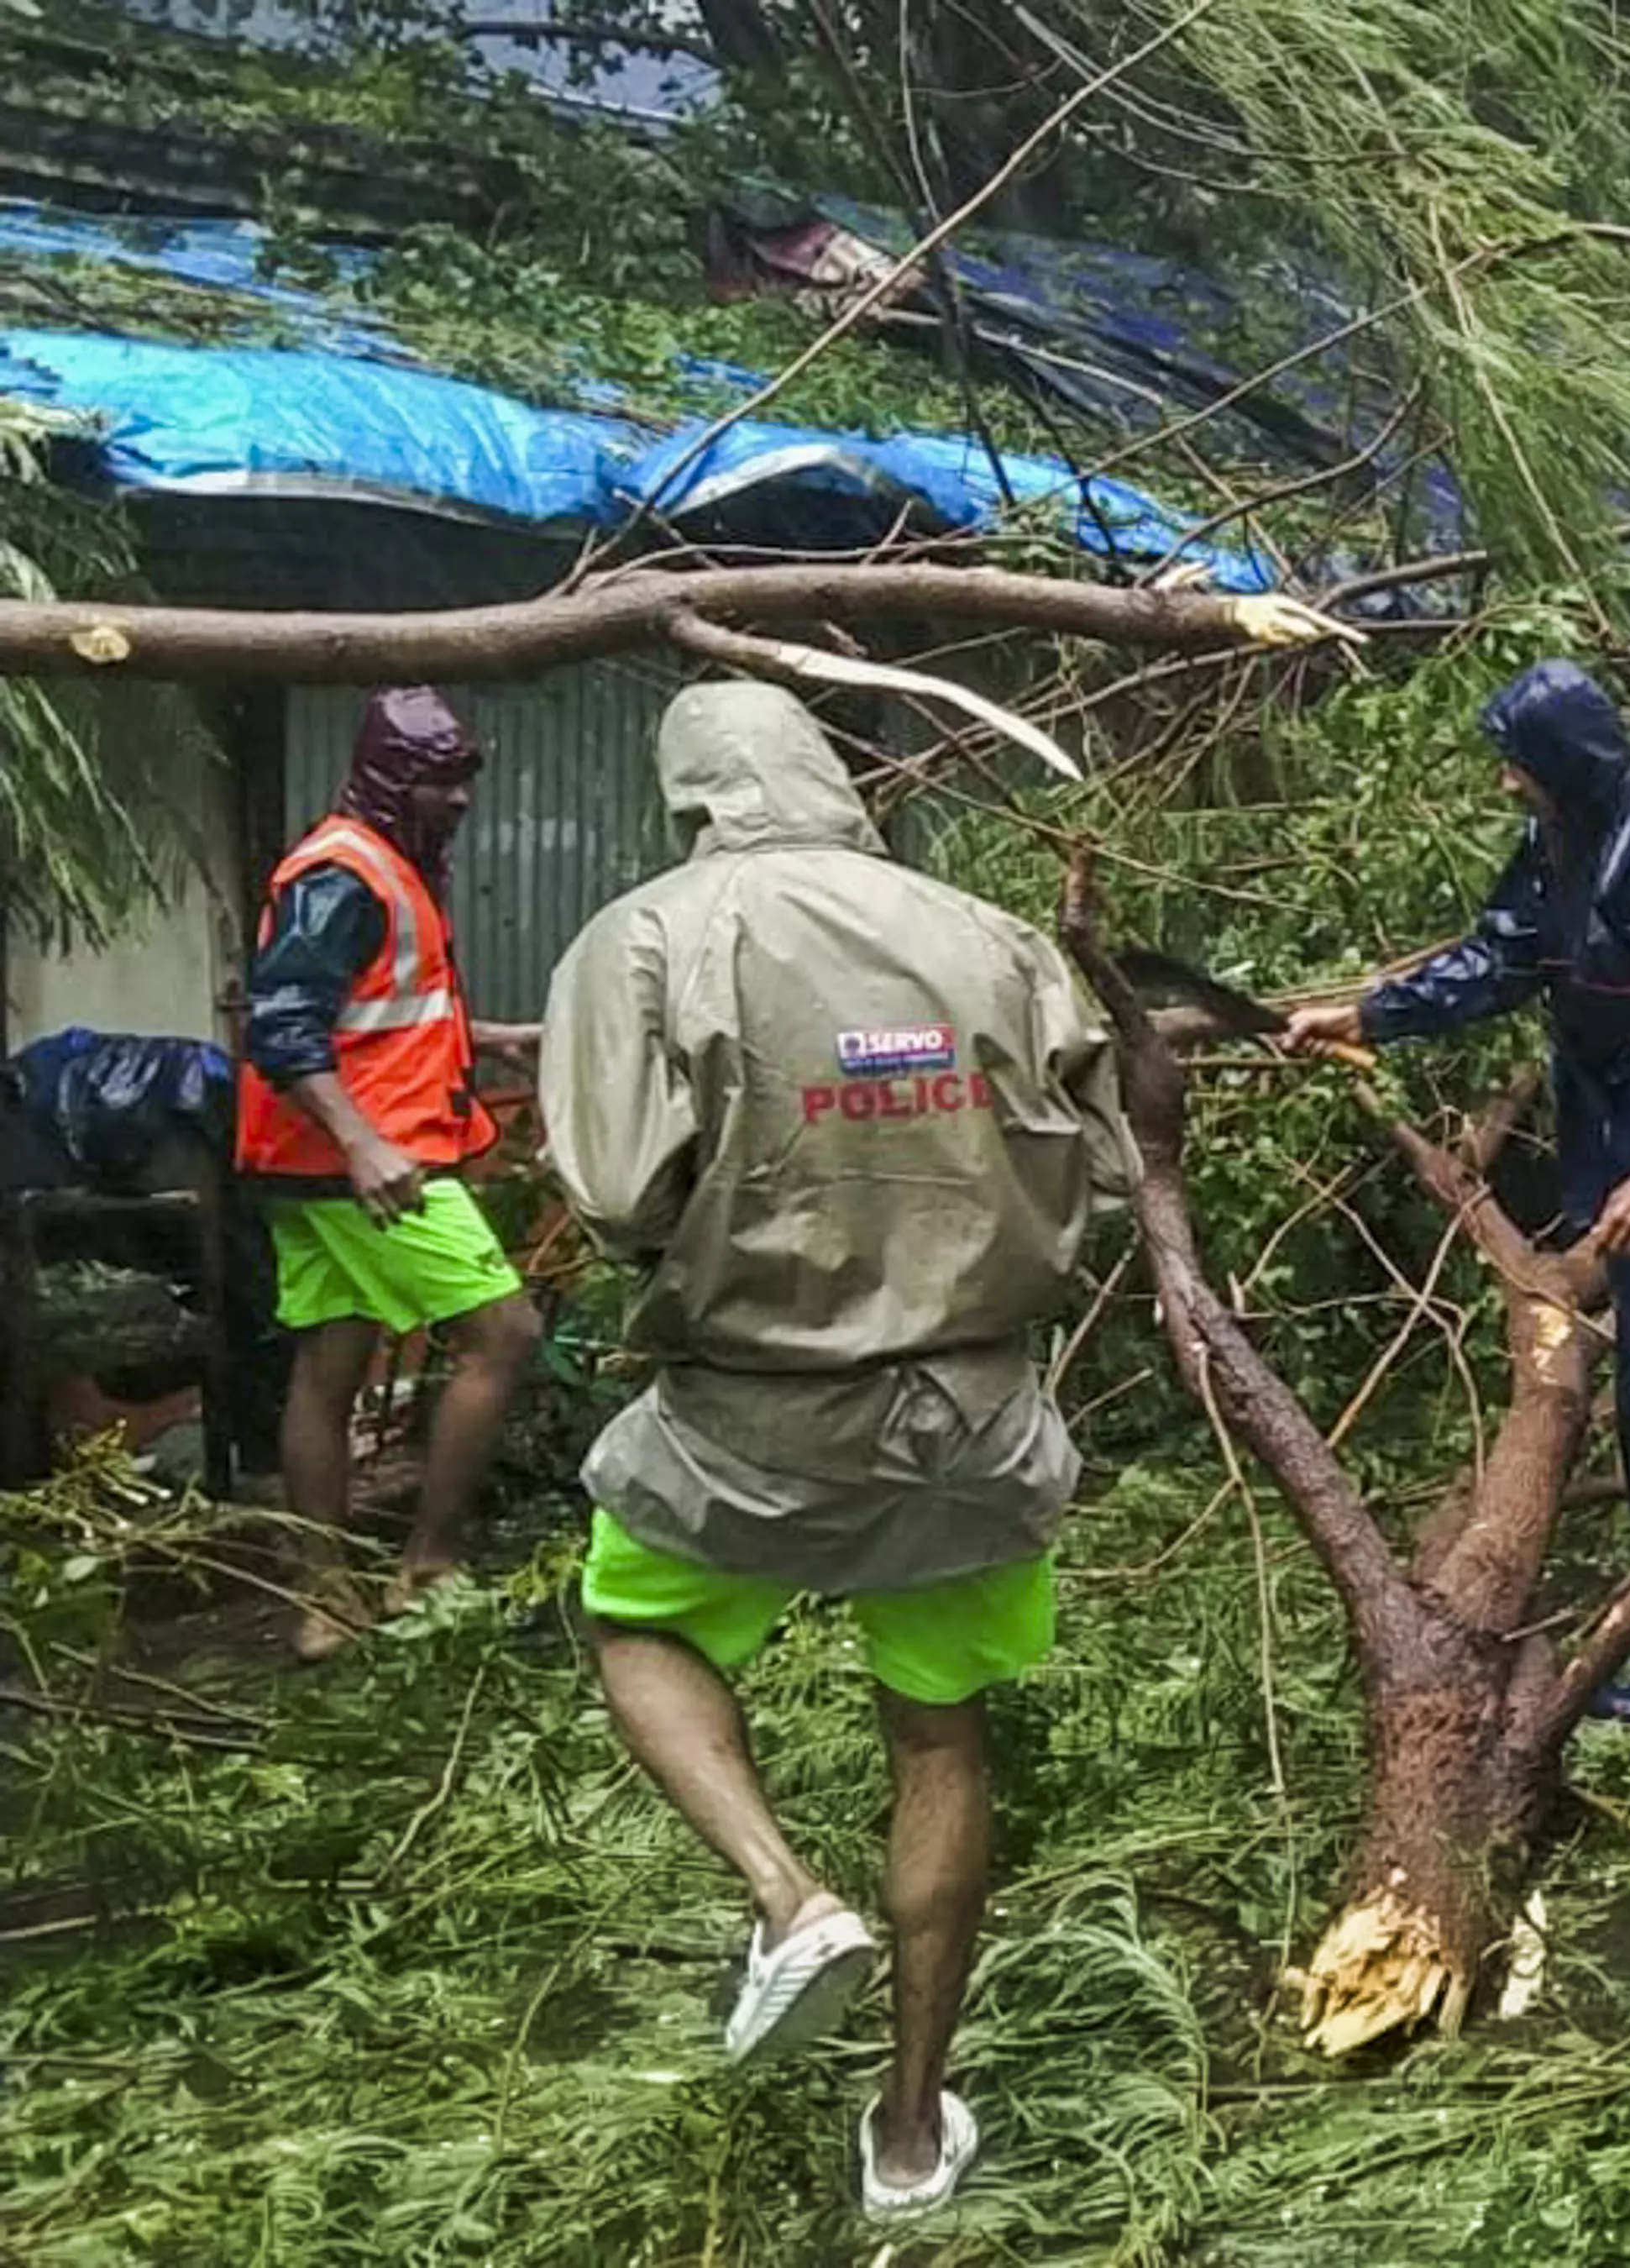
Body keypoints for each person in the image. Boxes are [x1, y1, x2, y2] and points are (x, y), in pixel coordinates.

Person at [538, 681, 1134, 2217]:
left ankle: (787, 1899)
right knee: (938, 1741)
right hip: (972, 1417)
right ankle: (915, 2135)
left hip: (751, 1407)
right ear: (834, 777)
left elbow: (614, 1193)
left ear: (689, 797)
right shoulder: (991, 932)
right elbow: (1106, 1143)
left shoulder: (653, 934)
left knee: (636, 1617)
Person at [1286, 660, 1630, 1725]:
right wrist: (1369, 1014)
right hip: (1615, 1146)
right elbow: (1497, 963)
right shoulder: (1558, 851)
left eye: (1519, 765)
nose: (1507, 785)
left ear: (1564, 760)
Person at [231, 688, 544, 1660]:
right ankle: (428, 1564)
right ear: (385, 778)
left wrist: (486, 1039)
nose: (456, 799)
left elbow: (374, 1014)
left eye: (461, 779)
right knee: (506, 1333)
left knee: (330, 1363)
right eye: (436, 780)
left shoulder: (391, 864)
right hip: (356, 1165)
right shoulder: (341, 874)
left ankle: (326, 1601)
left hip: (323, 1161)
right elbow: (280, 1028)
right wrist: (364, 1145)